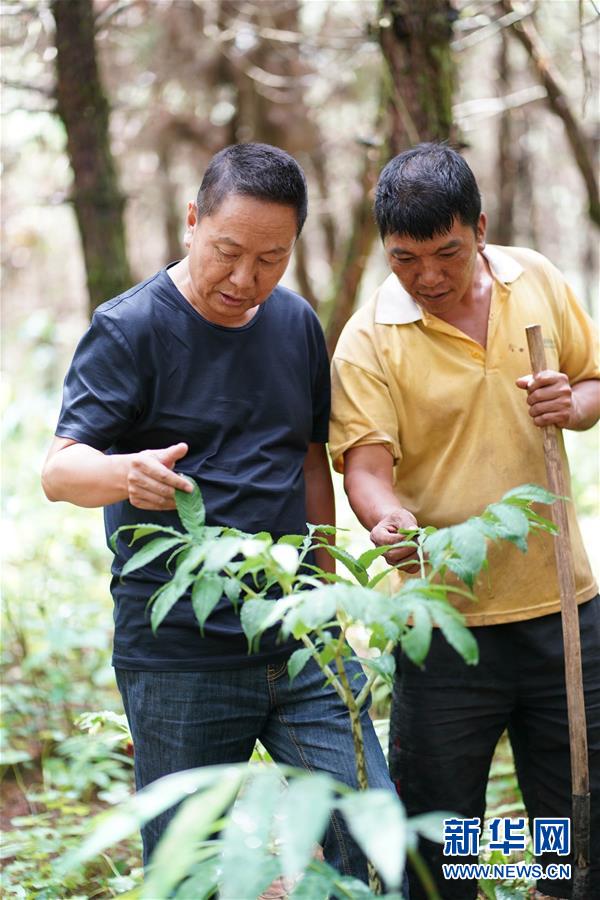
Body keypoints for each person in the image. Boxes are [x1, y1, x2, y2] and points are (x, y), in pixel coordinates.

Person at [41, 143, 396, 886]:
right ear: (192, 221)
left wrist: (325, 599)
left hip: (302, 641)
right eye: (228, 252)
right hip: (181, 656)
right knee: (187, 872)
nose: (245, 278)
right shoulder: (129, 328)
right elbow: (59, 470)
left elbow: (307, 463)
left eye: (272, 257)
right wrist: (120, 472)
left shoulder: (295, 325)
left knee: (371, 837)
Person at [329, 142, 600, 900]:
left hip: (565, 610)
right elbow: (366, 469)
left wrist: (569, 404)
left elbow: (591, 381)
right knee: (445, 842)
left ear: (480, 227)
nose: (429, 277)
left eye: (447, 252)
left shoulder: (536, 279)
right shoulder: (368, 338)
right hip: (443, 623)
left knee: (573, 838)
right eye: (405, 259)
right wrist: (386, 520)